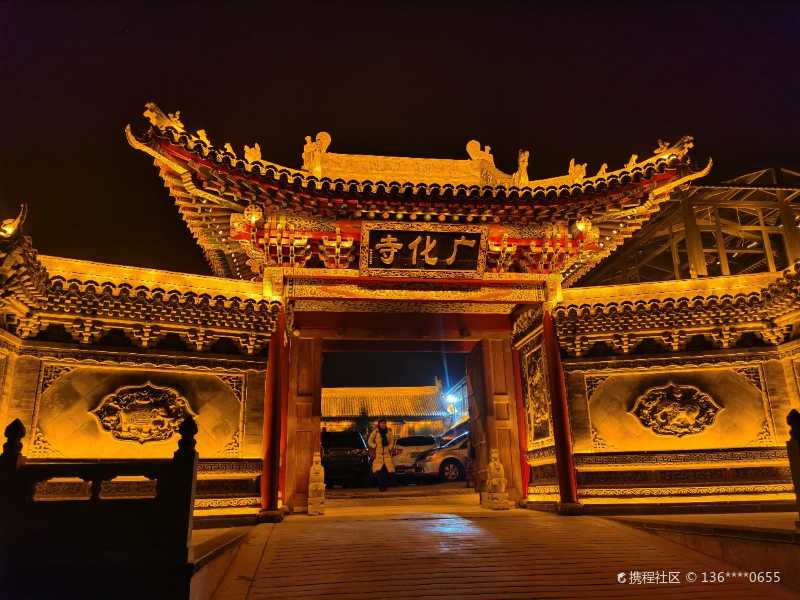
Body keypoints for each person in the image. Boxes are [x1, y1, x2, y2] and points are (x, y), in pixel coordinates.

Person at [367, 419, 395, 491]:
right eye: (381, 423)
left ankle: (385, 486)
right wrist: (374, 446)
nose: (383, 425)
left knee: (387, 472)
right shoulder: (375, 432)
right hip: (378, 454)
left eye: (384, 423)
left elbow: (392, 441)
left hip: (386, 454)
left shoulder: (389, 432)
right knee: (379, 472)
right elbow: (370, 441)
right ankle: (381, 487)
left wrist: (389, 447)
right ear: (379, 424)